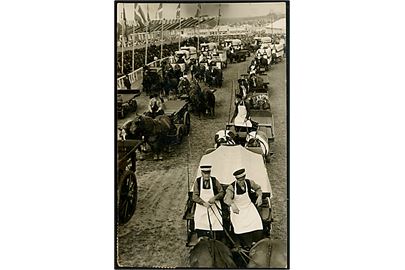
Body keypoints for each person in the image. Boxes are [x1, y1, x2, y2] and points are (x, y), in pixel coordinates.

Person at [224, 168, 263, 249]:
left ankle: (255, 242)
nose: (241, 182)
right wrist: (232, 205)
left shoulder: (249, 182)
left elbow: (258, 189)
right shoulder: (231, 187)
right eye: (239, 180)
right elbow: (227, 199)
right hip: (237, 209)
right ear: (236, 179)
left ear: (244, 177)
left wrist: (259, 196)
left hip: (248, 206)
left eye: (242, 179)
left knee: (257, 221)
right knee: (240, 225)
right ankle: (244, 244)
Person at [192, 165, 225, 240]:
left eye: (208, 173)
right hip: (202, 206)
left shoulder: (214, 180)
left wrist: (215, 198)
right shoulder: (198, 181)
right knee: (200, 221)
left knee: (217, 222)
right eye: (205, 173)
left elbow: (221, 192)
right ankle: (201, 239)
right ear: (201, 173)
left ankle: (216, 239)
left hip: (214, 206)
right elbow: (195, 196)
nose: (207, 175)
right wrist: (203, 203)